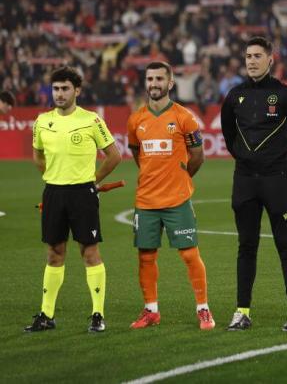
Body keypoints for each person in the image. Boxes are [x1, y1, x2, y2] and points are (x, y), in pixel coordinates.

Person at [221, 37, 287, 331]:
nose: (251, 61)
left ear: (270, 60)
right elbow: (229, 137)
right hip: (245, 183)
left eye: (257, 56)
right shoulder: (234, 96)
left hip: (277, 182)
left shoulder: (284, 95)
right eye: (248, 56)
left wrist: (286, 171)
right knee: (246, 246)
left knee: (285, 246)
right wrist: (247, 162)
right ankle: (242, 311)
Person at [26, 66, 121, 332]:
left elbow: (114, 156)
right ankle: (46, 315)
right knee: (54, 253)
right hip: (54, 193)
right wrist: (53, 177)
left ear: (76, 90)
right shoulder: (42, 121)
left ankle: (98, 315)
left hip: (83, 194)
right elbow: (37, 156)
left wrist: (94, 180)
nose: (59, 93)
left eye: (65, 88)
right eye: (55, 89)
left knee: (89, 252)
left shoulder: (92, 120)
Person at [126, 61, 215, 330]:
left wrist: (182, 177)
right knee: (145, 256)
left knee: (190, 255)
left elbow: (198, 155)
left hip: (178, 200)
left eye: (159, 79)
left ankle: (203, 309)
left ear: (170, 83)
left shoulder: (184, 117)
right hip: (146, 201)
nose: (153, 83)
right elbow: (136, 155)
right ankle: (151, 310)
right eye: (150, 78)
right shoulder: (136, 120)